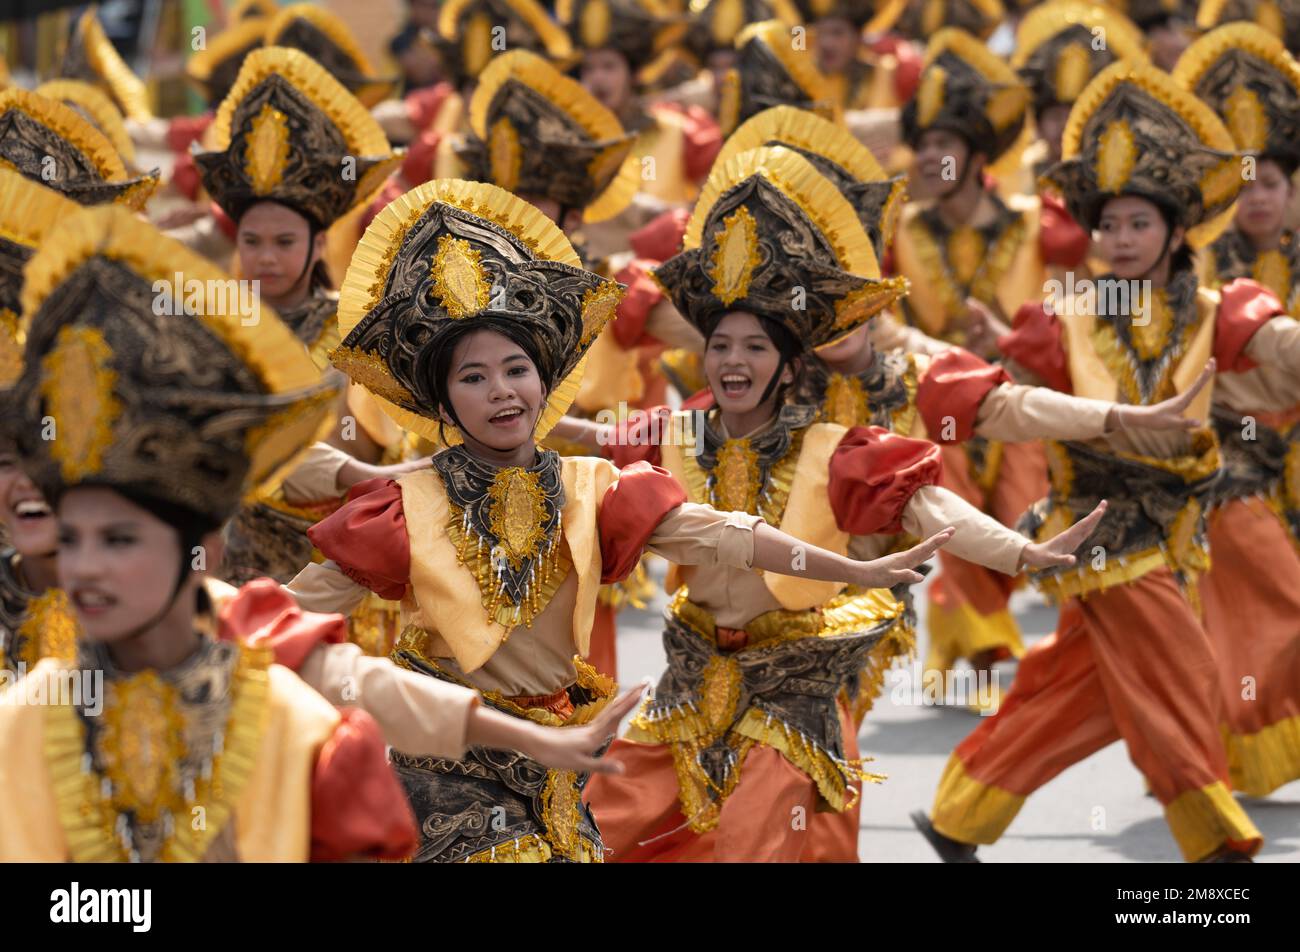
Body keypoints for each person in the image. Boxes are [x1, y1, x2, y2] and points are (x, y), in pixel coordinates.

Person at [288, 176, 950, 862]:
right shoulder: (406, 505)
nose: (500, 392)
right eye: (472, 378)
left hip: (554, 758)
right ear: (445, 405)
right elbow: (295, 609)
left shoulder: (593, 488)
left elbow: (726, 535)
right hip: (446, 769)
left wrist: (858, 567)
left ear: (544, 381)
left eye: (515, 368)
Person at [578, 145, 1112, 862]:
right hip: (699, 662)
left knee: (776, 807)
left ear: (792, 357)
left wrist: (1030, 538)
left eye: (758, 349)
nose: (736, 360)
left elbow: (944, 489)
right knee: (639, 822)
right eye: (722, 348)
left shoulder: (870, 412)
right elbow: (587, 448)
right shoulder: (685, 430)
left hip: (826, 642)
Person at [913, 60, 1300, 863]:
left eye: (1138, 224)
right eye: (1109, 225)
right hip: (1098, 534)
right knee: (1183, 669)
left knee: (1080, 692)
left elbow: (1281, 350)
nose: (1120, 240)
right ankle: (1215, 840)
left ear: (1174, 230)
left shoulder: (1215, 311)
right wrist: (943, 355)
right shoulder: (1065, 319)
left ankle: (962, 812)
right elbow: (1007, 396)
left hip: (1178, 533)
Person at [1172, 21, 1300, 796]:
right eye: (1243, 186)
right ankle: (1232, 760)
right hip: (1235, 459)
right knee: (1276, 602)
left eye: (1273, 185)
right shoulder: (1197, 270)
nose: (1258, 198)